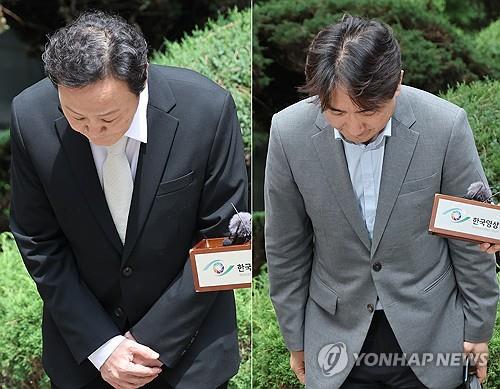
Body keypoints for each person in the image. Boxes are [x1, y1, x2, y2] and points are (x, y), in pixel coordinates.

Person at [9, 10, 247, 389]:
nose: (93, 131)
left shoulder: (208, 110)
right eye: (76, 117)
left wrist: (147, 343)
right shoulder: (30, 115)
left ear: (142, 81)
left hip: (192, 358)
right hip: (84, 360)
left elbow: (231, 245)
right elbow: (38, 239)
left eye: (107, 117)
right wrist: (104, 347)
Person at [264, 15, 499, 389]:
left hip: (432, 330)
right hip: (337, 336)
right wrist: (296, 337)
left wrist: (479, 329)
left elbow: (469, 238)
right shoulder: (288, 132)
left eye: (369, 112)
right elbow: (284, 247)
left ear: (398, 84)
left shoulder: (445, 126)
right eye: (337, 113)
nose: (355, 127)